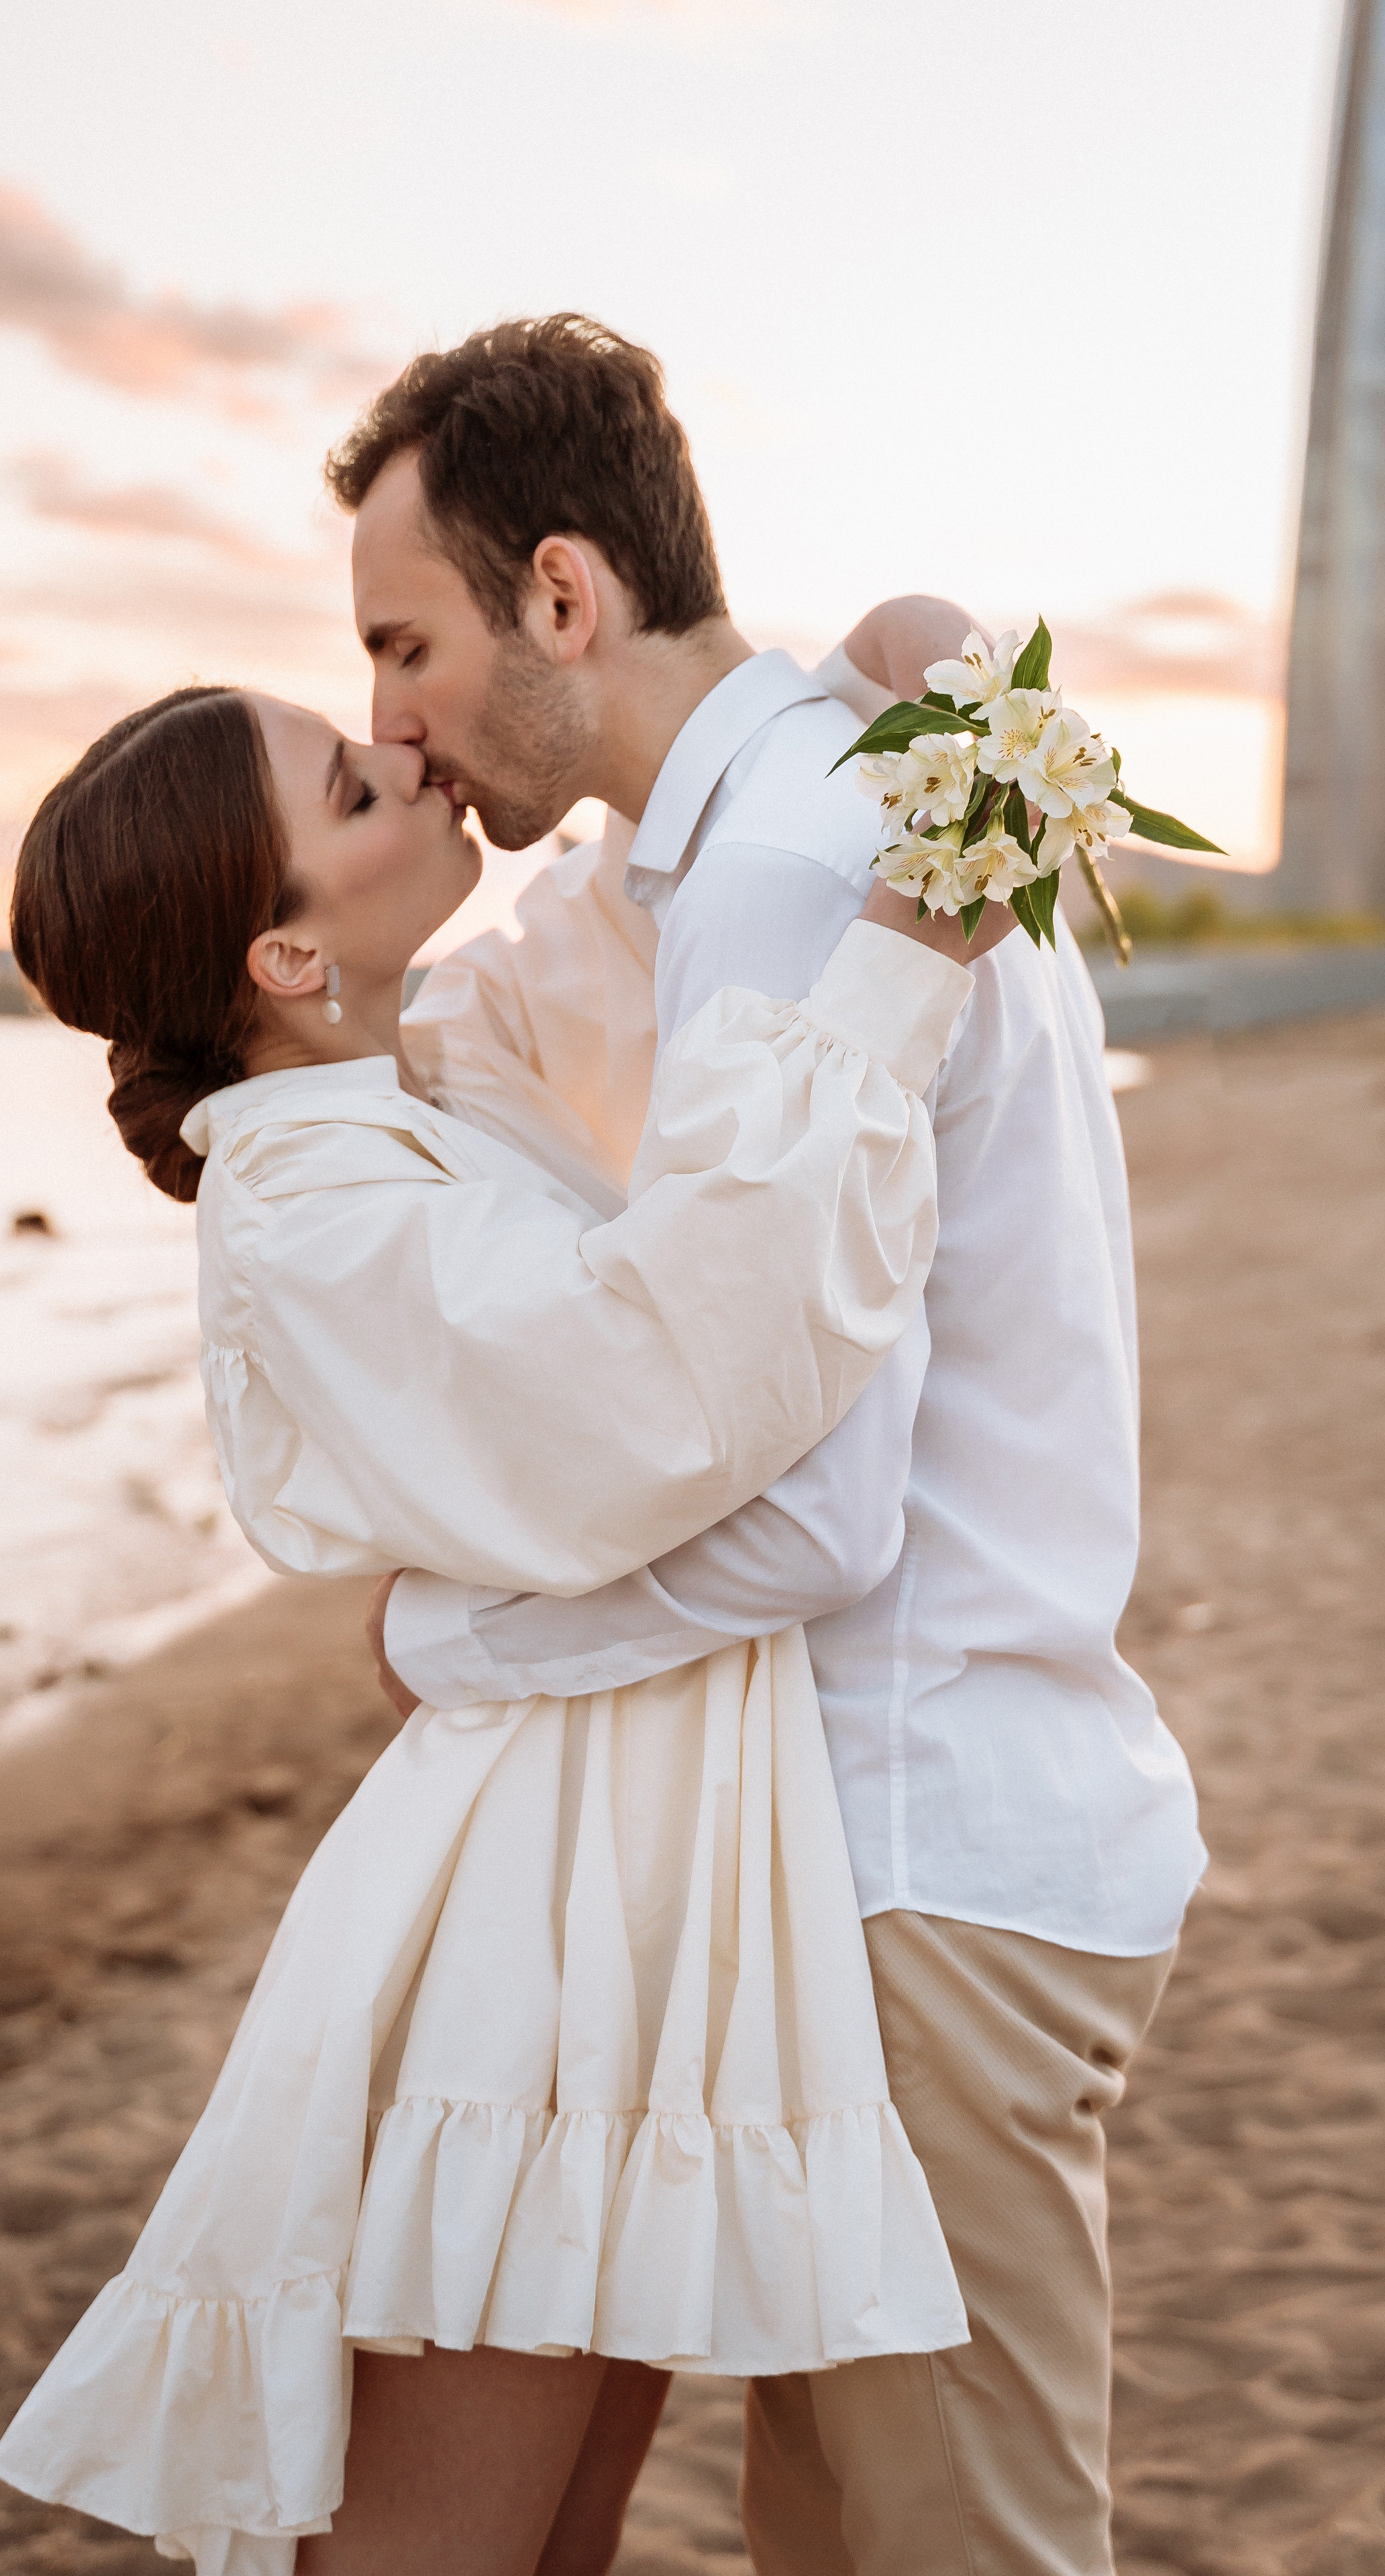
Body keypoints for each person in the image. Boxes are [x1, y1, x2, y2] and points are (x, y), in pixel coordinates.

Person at [335, 314, 1208, 2575]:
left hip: (928, 1847)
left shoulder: (798, 864)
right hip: (911, 1855)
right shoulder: (838, 798)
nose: (385, 720)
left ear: (560, 593)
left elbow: (818, 1504)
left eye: (403, 642)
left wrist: (463, 1633)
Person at [0, 659, 1017, 2574]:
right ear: (287, 959)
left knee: (556, 2547)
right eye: (352, 791)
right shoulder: (309, 1208)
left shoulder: (423, 1068)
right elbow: (665, 1386)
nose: (398, 752)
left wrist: (882, 672)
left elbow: (638, 877)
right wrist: (910, 948)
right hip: (526, 1942)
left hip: (625, 1899)